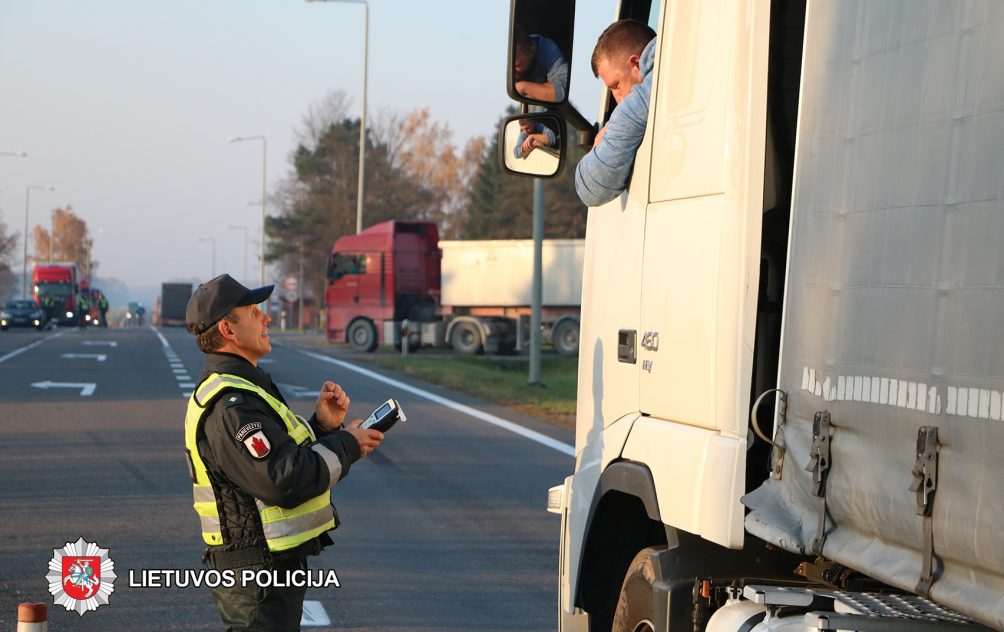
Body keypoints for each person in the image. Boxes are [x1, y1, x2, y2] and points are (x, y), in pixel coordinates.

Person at [183, 274, 383, 631]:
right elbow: (281, 480)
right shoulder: (233, 406)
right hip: (257, 578)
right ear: (228, 330)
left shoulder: (245, 390)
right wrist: (348, 444)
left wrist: (323, 427)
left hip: (266, 569)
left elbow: (278, 458)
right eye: (254, 312)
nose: (267, 318)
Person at [574, 19, 657, 207]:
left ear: (635, 63)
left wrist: (598, 145)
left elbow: (591, 189)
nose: (618, 99)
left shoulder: (648, 90)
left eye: (616, 85)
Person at [512, 25, 569, 103]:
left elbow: (565, 90)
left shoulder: (547, 49)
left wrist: (522, 87)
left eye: (516, 65)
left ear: (531, 51)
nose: (511, 71)